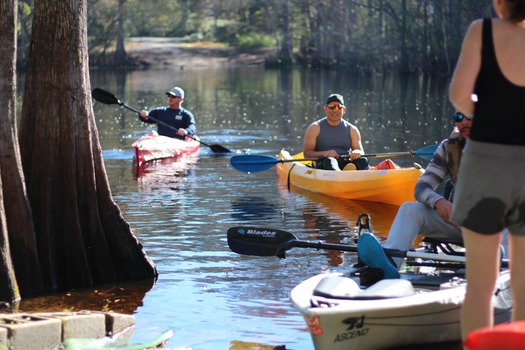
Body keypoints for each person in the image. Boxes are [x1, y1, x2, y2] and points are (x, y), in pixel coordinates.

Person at [448, 0, 525, 341]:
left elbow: (459, 95)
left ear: (500, 2)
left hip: (484, 168)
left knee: (480, 285)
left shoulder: (482, 31)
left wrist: (486, 109)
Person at [357, 111, 511, 279]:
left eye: (470, 116)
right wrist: (438, 202)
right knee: (410, 209)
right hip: (457, 224)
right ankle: (388, 265)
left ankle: (504, 274)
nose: (464, 122)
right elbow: (422, 187)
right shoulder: (448, 147)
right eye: (459, 117)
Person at [303, 93, 370, 171]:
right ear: (325, 108)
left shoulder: (352, 130)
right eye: (331, 107)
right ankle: (340, 176)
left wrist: (357, 152)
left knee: (363, 160)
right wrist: (324, 154)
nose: (335, 110)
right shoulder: (314, 128)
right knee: (330, 161)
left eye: (339, 107)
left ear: (344, 110)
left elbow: (361, 152)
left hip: (345, 163)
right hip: (324, 164)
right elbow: (307, 154)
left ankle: (366, 176)